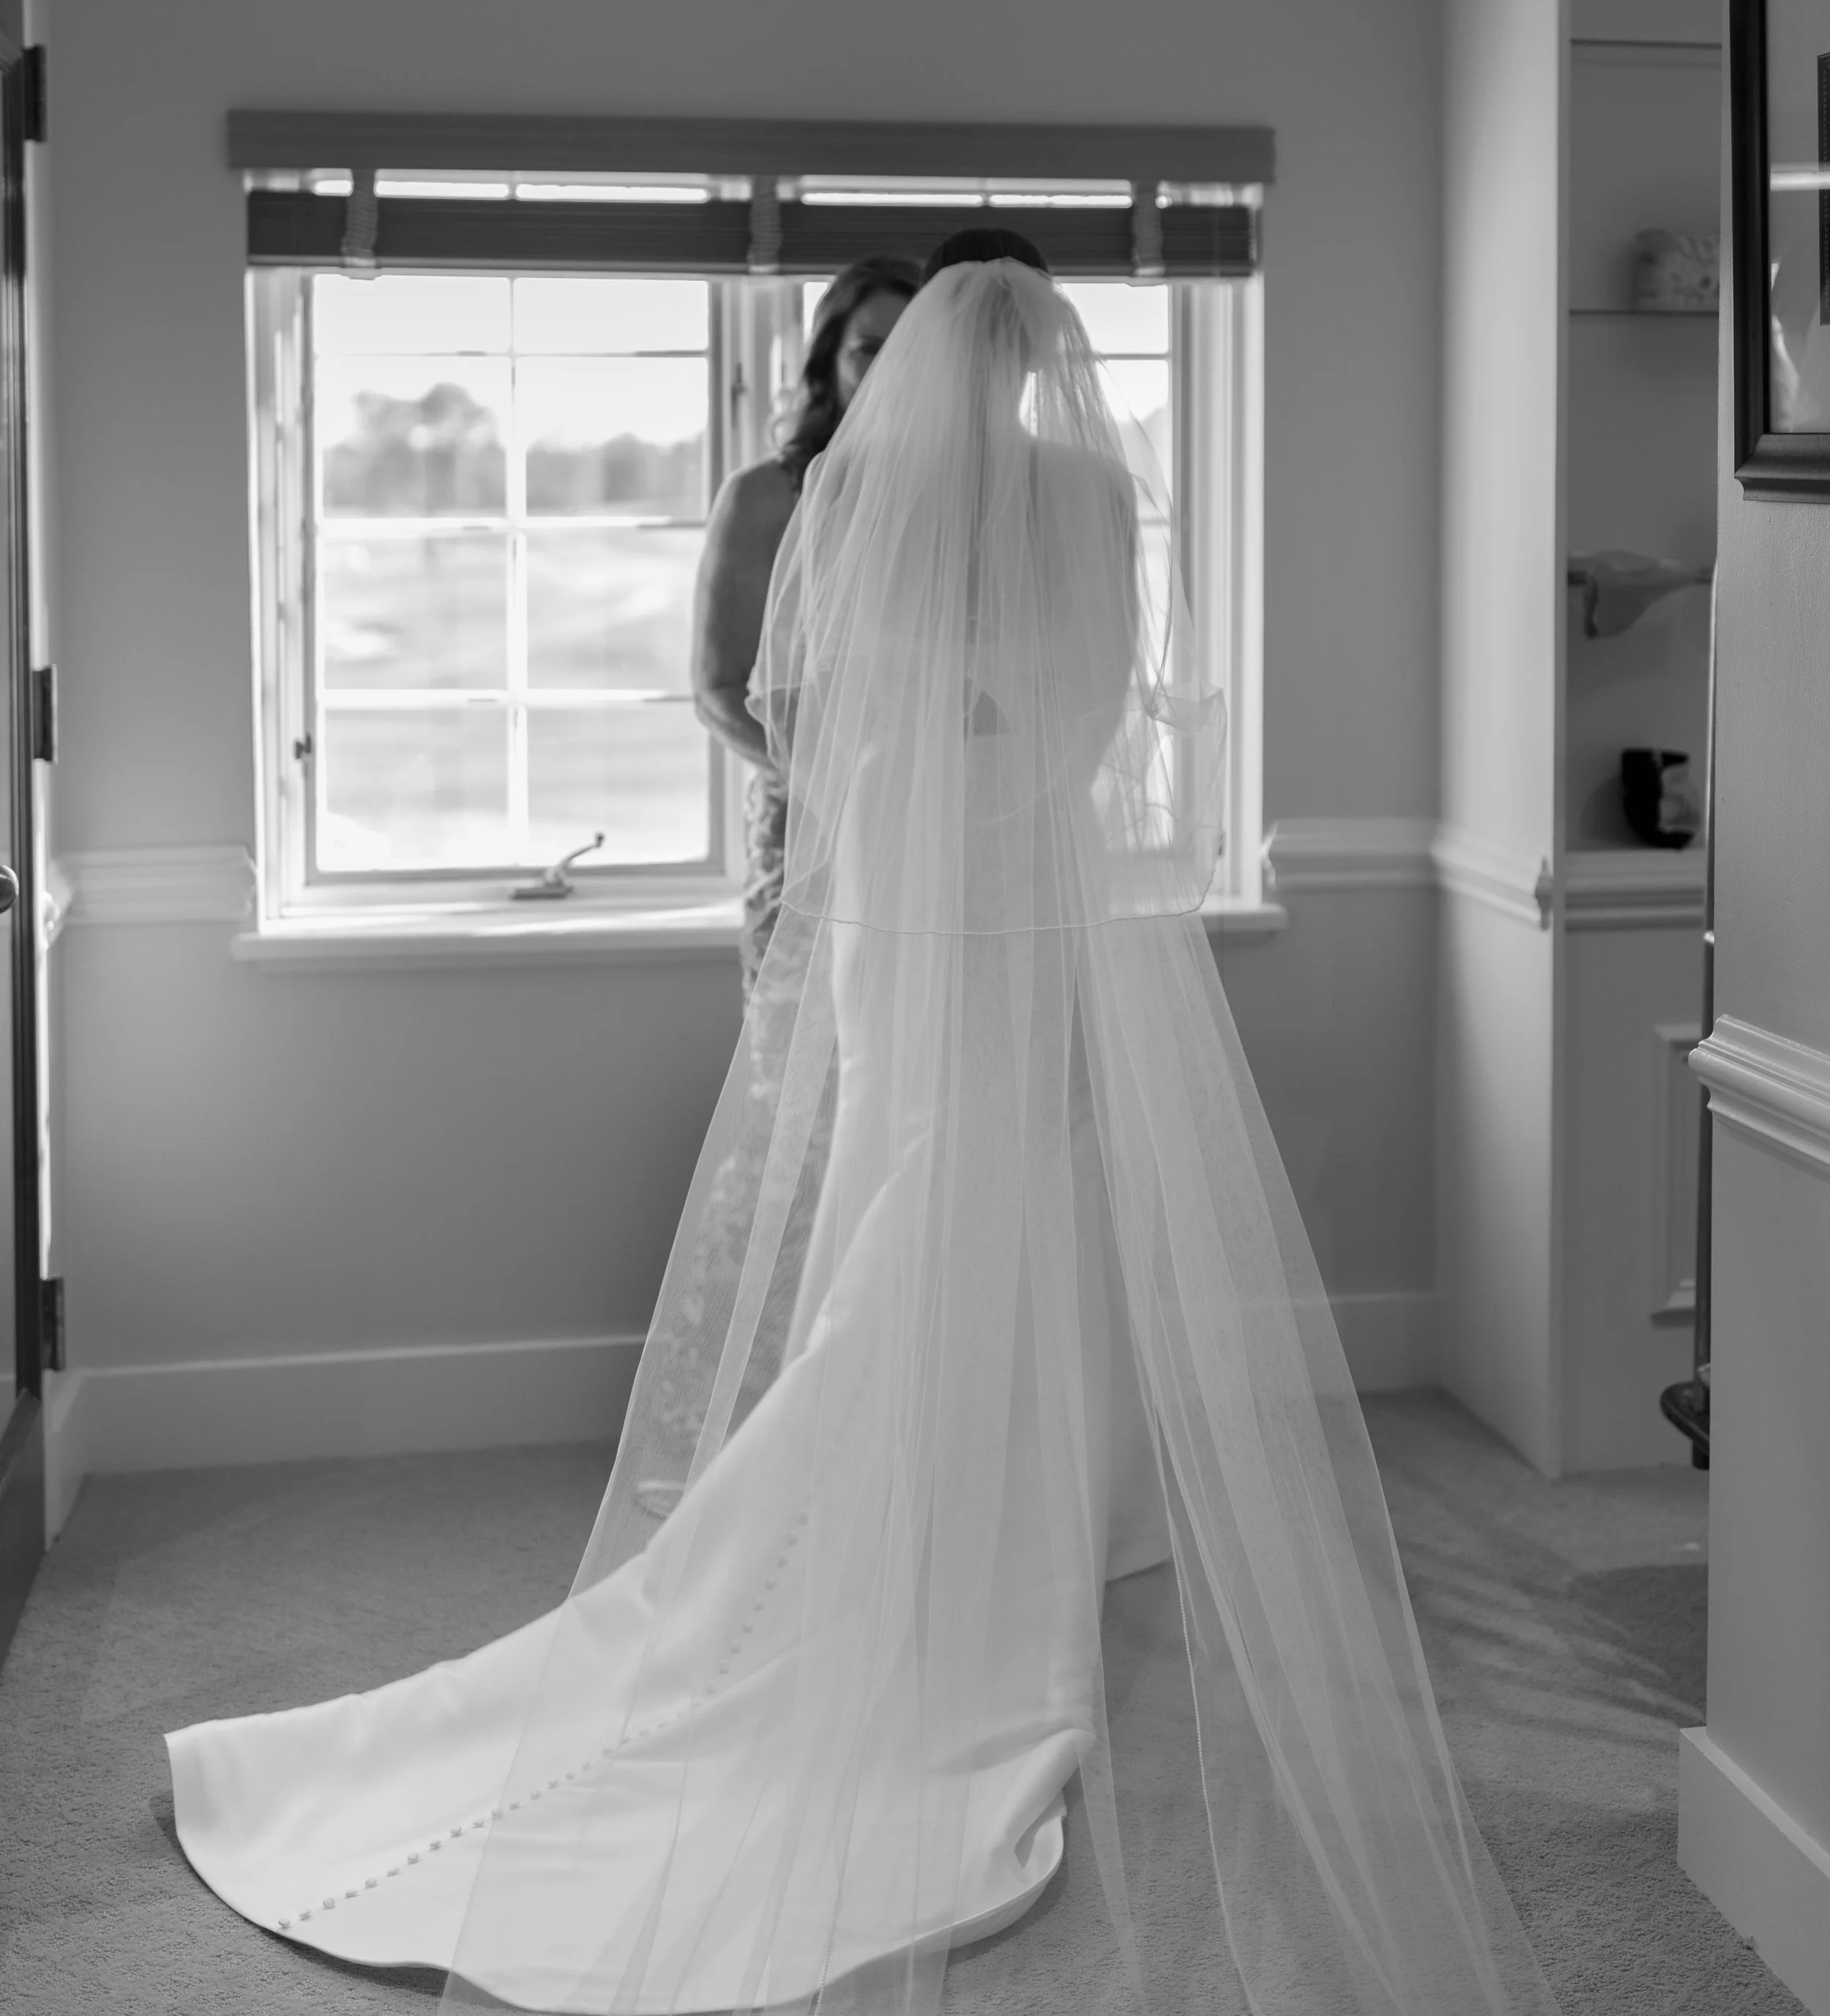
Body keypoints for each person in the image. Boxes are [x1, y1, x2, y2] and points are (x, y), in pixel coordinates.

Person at [166, 240, 1561, 2016]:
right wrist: (977, 781)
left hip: (926, 882)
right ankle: (934, 1527)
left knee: (977, 1198)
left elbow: (846, 710)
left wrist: (929, 789)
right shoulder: (1020, 496)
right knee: (961, 1196)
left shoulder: (913, 500)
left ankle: (990, 1517)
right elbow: (1048, 700)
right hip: (970, 881)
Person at [692, 254, 920, 1001]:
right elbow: (717, 687)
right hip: (806, 826)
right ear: (832, 359)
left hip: (942, 830)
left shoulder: (969, 500)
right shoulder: (765, 497)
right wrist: (823, 781)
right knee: (802, 1078)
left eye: (909, 347)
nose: (889, 369)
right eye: (868, 348)